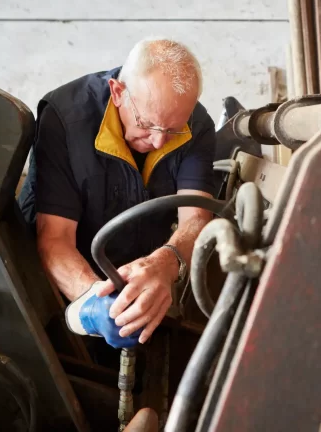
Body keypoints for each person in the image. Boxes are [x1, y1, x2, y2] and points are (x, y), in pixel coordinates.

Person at [19, 37, 216, 348]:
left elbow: (197, 218)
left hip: (142, 281)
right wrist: (94, 303)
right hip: (61, 290)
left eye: (172, 129)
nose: (158, 142)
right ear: (118, 92)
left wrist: (165, 263)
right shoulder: (65, 118)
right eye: (147, 124)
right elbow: (53, 238)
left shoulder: (196, 123)